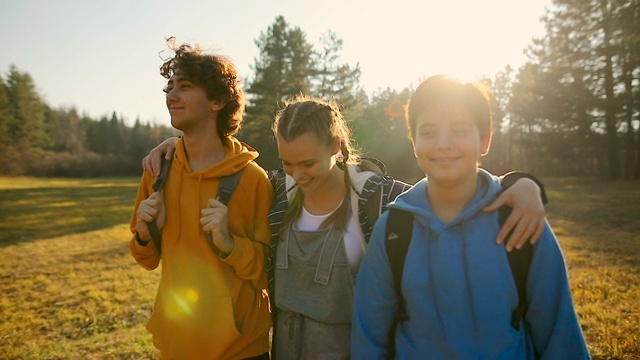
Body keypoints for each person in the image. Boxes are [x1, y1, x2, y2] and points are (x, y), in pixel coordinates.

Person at [144, 94, 547, 359]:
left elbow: (447, 186)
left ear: (336, 147)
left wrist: (521, 182)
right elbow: (224, 162)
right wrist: (175, 146)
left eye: (308, 164)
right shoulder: (275, 193)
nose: (297, 174)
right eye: (287, 164)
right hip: (285, 350)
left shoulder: (378, 197)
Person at [351, 75, 590, 359]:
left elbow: (558, 333)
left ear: (485, 139)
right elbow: (369, 335)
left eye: (460, 130)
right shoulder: (393, 228)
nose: (443, 144)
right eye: (428, 132)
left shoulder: (519, 219)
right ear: (413, 141)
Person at [130, 39, 273, 360]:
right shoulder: (157, 169)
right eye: (169, 88)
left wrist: (229, 243)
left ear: (218, 101)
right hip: (177, 346)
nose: (171, 96)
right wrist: (144, 231)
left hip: (241, 349)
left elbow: (271, 272)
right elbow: (146, 259)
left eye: (185, 86)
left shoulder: (252, 180)